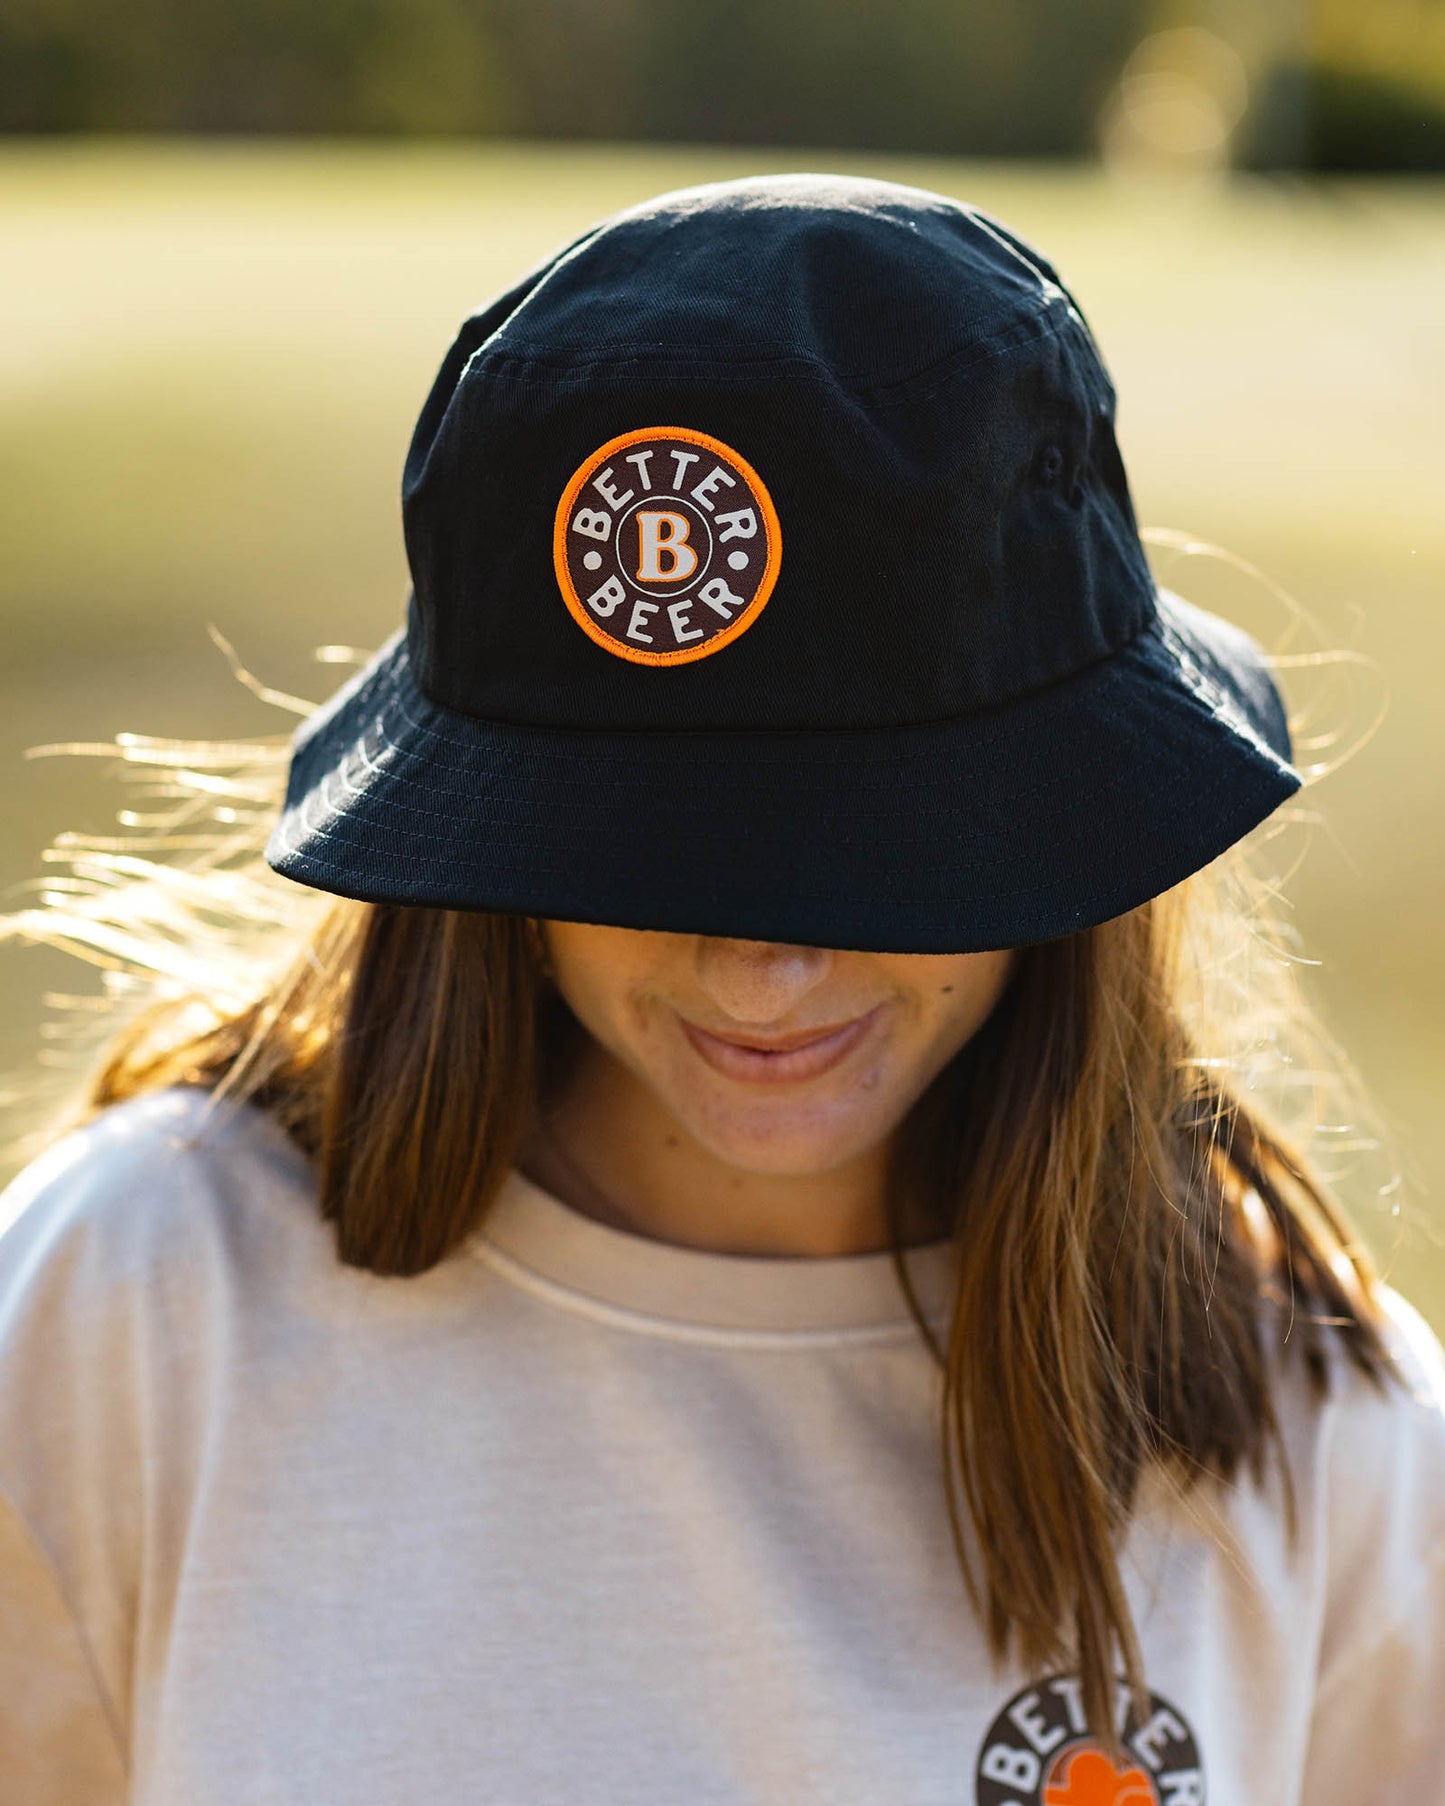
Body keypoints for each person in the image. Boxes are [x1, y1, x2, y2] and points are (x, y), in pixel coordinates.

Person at [0, 172, 1441, 1806]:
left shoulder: (1318, 1430)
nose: (765, 966)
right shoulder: (136, 1307)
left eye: (883, 856)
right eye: (652, 852)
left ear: (1068, 830)